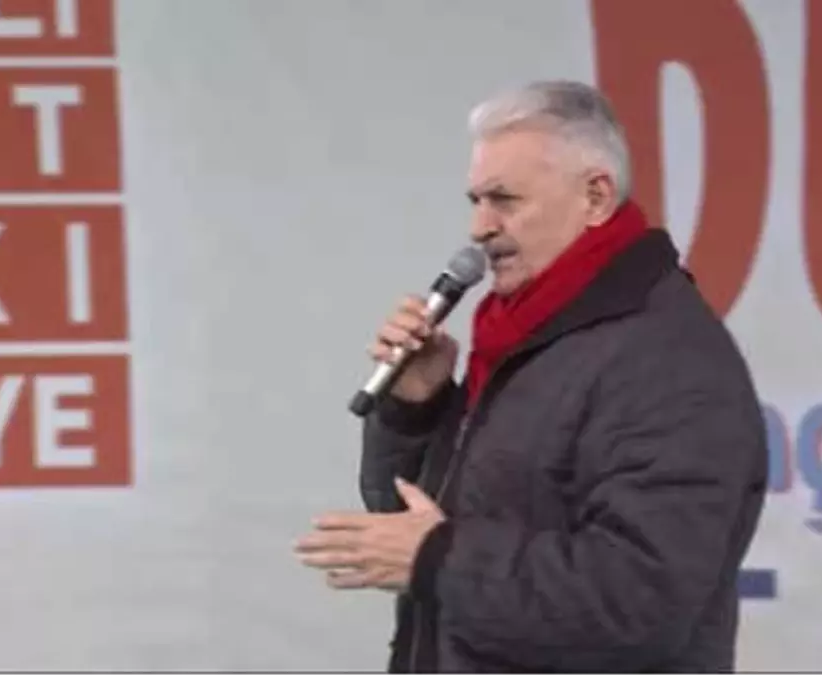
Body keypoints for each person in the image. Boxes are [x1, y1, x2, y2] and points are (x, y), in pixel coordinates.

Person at [293, 80, 769, 673]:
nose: (479, 227)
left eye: (504, 200)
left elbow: (638, 603)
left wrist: (440, 559)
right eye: (475, 200)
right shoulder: (533, 340)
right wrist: (419, 410)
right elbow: (414, 522)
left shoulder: (668, 360)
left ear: (596, 197)